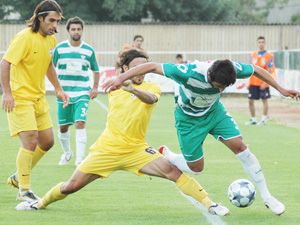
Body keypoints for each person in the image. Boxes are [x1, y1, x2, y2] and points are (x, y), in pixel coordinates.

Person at [16, 49, 229, 216]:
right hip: (106, 150)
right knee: (71, 186)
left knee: (173, 172)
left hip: (136, 150)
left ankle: (211, 204)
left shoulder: (151, 88)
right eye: (136, 68)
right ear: (126, 69)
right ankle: (39, 203)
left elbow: (151, 99)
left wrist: (133, 89)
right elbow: (114, 79)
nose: (141, 72)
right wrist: (121, 81)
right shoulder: (115, 87)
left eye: (144, 68)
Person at [102, 59, 300, 216]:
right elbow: (152, 66)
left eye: (224, 87)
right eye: (219, 86)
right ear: (209, 76)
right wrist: (120, 79)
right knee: (196, 168)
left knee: (240, 147)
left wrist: (280, 89)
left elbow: (256, 69)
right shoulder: (188, 73)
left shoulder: (228, 68)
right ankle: (169, 155)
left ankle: (267, 196)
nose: (220, 90)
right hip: (188, 120)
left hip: (214, 113)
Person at [0, 0, 69, 202]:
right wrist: (7, 93)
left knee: (47, 142)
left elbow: (48, 65)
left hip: (38, 97)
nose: (55, 26)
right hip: (20, 97)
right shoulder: (24, 38)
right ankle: (24, 190)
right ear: (40, 18)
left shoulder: (50, 40)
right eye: (51, 21)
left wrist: (58, 89)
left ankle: (17, 176)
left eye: (57, 22)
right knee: (30, 139)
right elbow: (5, 63)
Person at [53, 16, 100, 166]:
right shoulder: (59, 49)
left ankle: (80, 160)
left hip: (82, 93)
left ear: (82, 31)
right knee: (63, 126)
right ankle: (67, 153)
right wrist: (57, 88)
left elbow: (96, 71)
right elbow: (50, 69)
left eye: (79, 29)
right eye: (73, 29)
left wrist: (95, 88)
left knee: (80, 122)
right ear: (68, 31)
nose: (76, 31)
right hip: (64, 94)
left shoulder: (88, 50)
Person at [247, 36, 276, 125]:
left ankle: (263, 119)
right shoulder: (253, 55)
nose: (261, 44)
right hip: (253, 82)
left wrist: (266, 82)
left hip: (263, 82)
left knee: (264, 100)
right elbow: (250, 68)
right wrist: (248, 81)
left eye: (262, 42)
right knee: (250, 100)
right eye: (259, 42)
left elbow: (271, 70)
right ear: (257, 43)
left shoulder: (269, 56)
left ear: (265, 43)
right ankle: (253, 119)